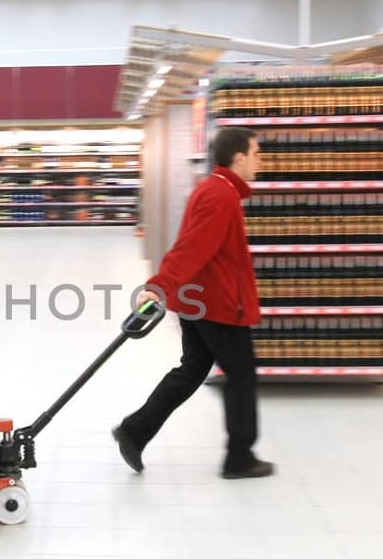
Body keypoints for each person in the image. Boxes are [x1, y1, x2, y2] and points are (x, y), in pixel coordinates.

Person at [113, 127, 272, 480]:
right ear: (239, 157)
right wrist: (159, 286)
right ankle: (240, 457)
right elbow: (192, 248)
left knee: (191, 371)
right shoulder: (220, 195)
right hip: (218, 307)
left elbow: (192, 247)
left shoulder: (216, 189)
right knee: (242, 375)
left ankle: (135, 431)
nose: (261, 161)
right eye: (257, 154)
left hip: (201, 303)